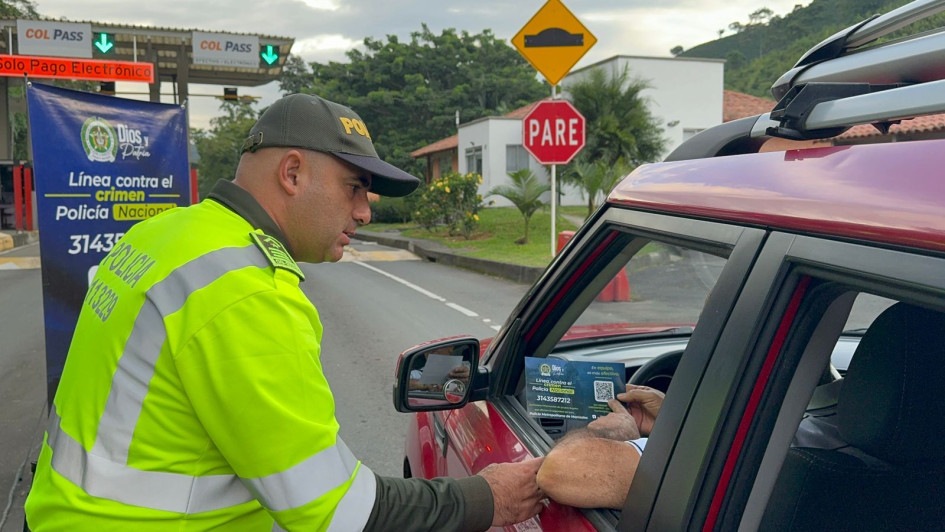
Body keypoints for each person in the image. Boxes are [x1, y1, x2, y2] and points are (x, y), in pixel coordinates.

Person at [25, 94, 544, 531]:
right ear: (292, 172)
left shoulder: (165, 235)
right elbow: (338, 511)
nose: (365, 211)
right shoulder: (249, 292)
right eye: (355, 187)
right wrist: (485, 498)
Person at [536, 382, 846, 510]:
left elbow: (561, 470)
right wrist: (680, 420)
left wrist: (621, 434)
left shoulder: (759, 449)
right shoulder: (843, 428)